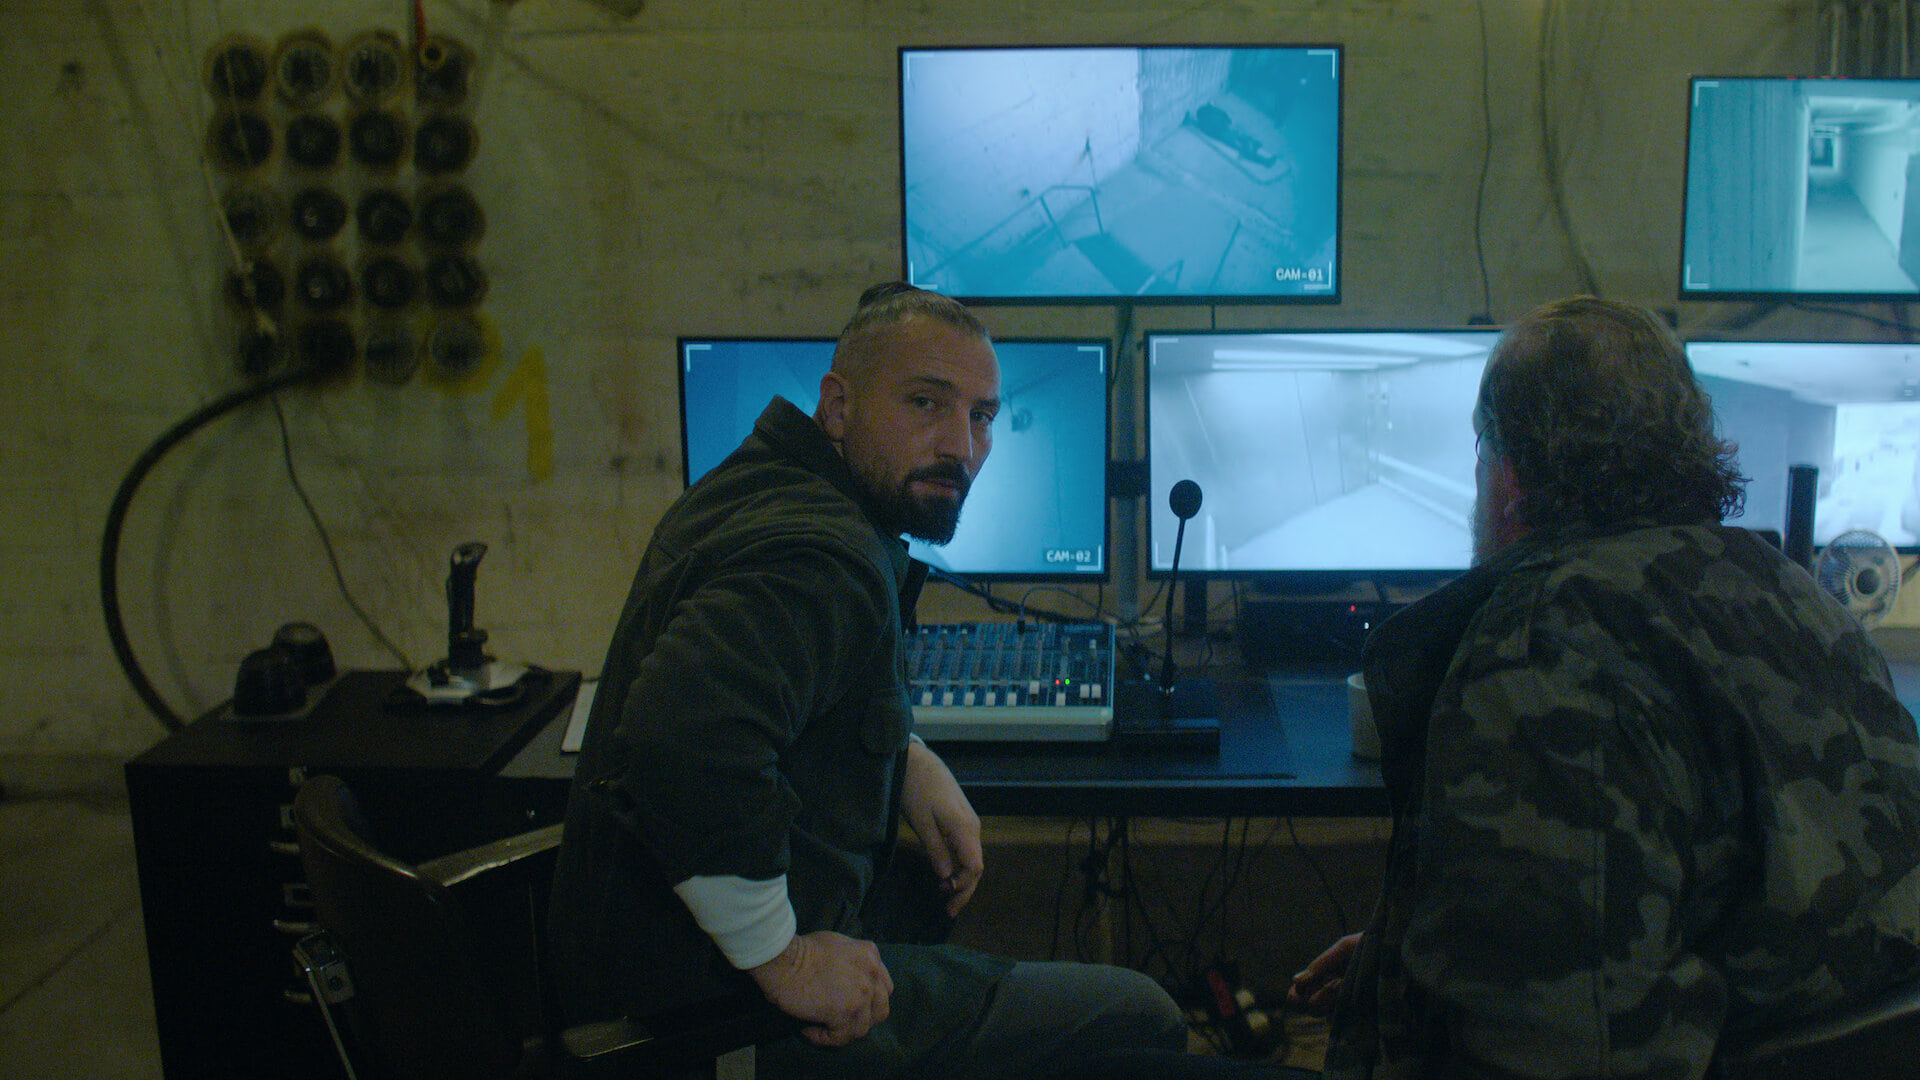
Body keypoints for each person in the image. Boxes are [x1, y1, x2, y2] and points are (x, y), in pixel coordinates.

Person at [547, 282, 1187, 1079]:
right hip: (711, 1009)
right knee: (1137, 1015)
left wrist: (904, 754)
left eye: (982, 416)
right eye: (926, 403)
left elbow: (776, 678)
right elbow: (680, 739)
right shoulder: (823, 553)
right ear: (838, 406)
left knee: (918, 894)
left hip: (631, 952)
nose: (961, 445)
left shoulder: (759, 483)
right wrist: (781, 957)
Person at [1288, 296, 1920, 1079]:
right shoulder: (1799, 600)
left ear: (1507, 476)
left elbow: (1553, 1052)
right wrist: (1413, 963)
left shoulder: (1540, 652)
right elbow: (1750, 919)